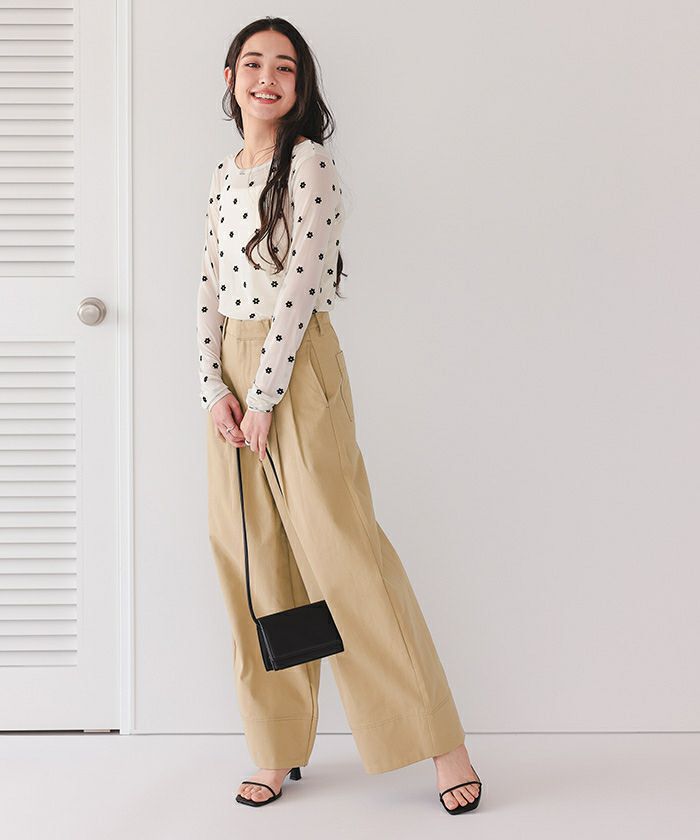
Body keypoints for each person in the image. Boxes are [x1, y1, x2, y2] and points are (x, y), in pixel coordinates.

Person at [196, 16, 483, 815]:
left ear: (301, 86)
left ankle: (441, 742)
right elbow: (208, 281)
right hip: (232, 377)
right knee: (255, 568)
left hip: (296, 369)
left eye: (284, 67)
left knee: (345, 557)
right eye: (253, 63)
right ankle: (277, 745)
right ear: (230, 78)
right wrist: (212, 387)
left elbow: (299, 287)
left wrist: (264, 396)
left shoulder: (310, 164)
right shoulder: (221, 175)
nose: (267, 77)